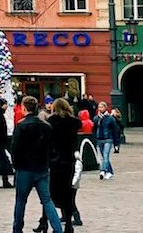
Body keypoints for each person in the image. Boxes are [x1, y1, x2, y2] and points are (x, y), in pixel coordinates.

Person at [11, 96, 64, 233]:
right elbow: (52, 148)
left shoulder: (21, 125)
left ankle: (17, 229)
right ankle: (58, 229)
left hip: (24, 169)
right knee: (47, 201)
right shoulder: (46, 126)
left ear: (24, 107)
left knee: (21, 201)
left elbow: (14, 148)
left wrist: (16, 165)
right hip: (42, 168)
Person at [45, 98, 83, 232]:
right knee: (68, 192)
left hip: (55, 161)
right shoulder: (74, 122)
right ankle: (68, 223)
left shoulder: (51, 122)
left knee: (51, 192)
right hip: (69, 161)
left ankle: (45, 222)